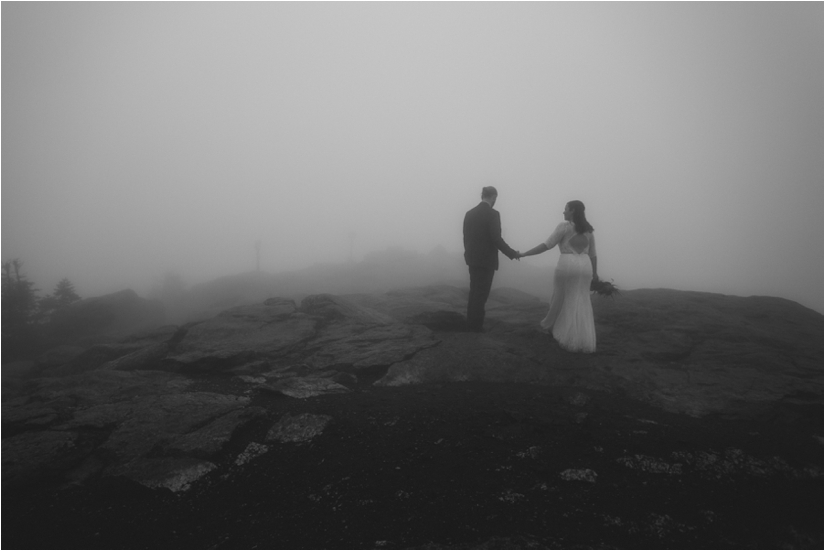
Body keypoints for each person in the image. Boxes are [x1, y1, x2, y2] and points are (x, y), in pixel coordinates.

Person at [518, 200, 598, 352]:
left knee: (561, 297)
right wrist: (595, 273)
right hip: (585, 266)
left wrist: (525, 253)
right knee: (581, 298)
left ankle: (556, 328)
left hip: (567, 265)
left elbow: (547, 245)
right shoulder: (589, 230)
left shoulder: (564, 227)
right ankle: (582, 338)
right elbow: (593, 254)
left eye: (565, 209)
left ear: (573, 211)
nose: (563, 212)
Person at [463, 186, 520, 332]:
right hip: (487, 260)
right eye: (496, 198)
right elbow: (496, 239)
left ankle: (470, 324)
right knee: (481, 294)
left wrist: (468, 254)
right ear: (494, 197)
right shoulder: (493, 214)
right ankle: (475, 327)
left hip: (472, 258)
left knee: (474, 291)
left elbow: (466, 237)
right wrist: (512, 253)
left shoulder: (469, 213)